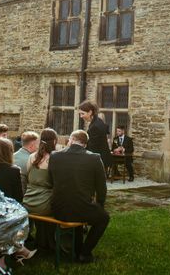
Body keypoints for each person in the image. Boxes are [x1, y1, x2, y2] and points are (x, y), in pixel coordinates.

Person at [49, 129, 108, 264]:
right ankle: (85, 253)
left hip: (58, 208)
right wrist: (100, 206)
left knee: (78, 209)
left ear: (70, 140)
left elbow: (51, 181)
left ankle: (77, 250)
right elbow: (101, 188)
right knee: (103, 218)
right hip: (82, 207)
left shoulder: (54, 156)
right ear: (85, 144)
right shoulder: (94, 158)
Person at [23, 128, 57, 250]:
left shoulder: (31, 157)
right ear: (54, 141)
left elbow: (26, 177)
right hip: (45, 203)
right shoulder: (54, 158)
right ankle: (49, 242)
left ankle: (42, 241)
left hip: (28, 201)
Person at [79, 101, 112, 171]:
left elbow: (92, 147)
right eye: (80, 114)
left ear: (90, 112)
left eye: (82, 114)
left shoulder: (95, 126)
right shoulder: (97, 121)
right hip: (100, 158)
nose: (81, 116)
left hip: (98, 160)